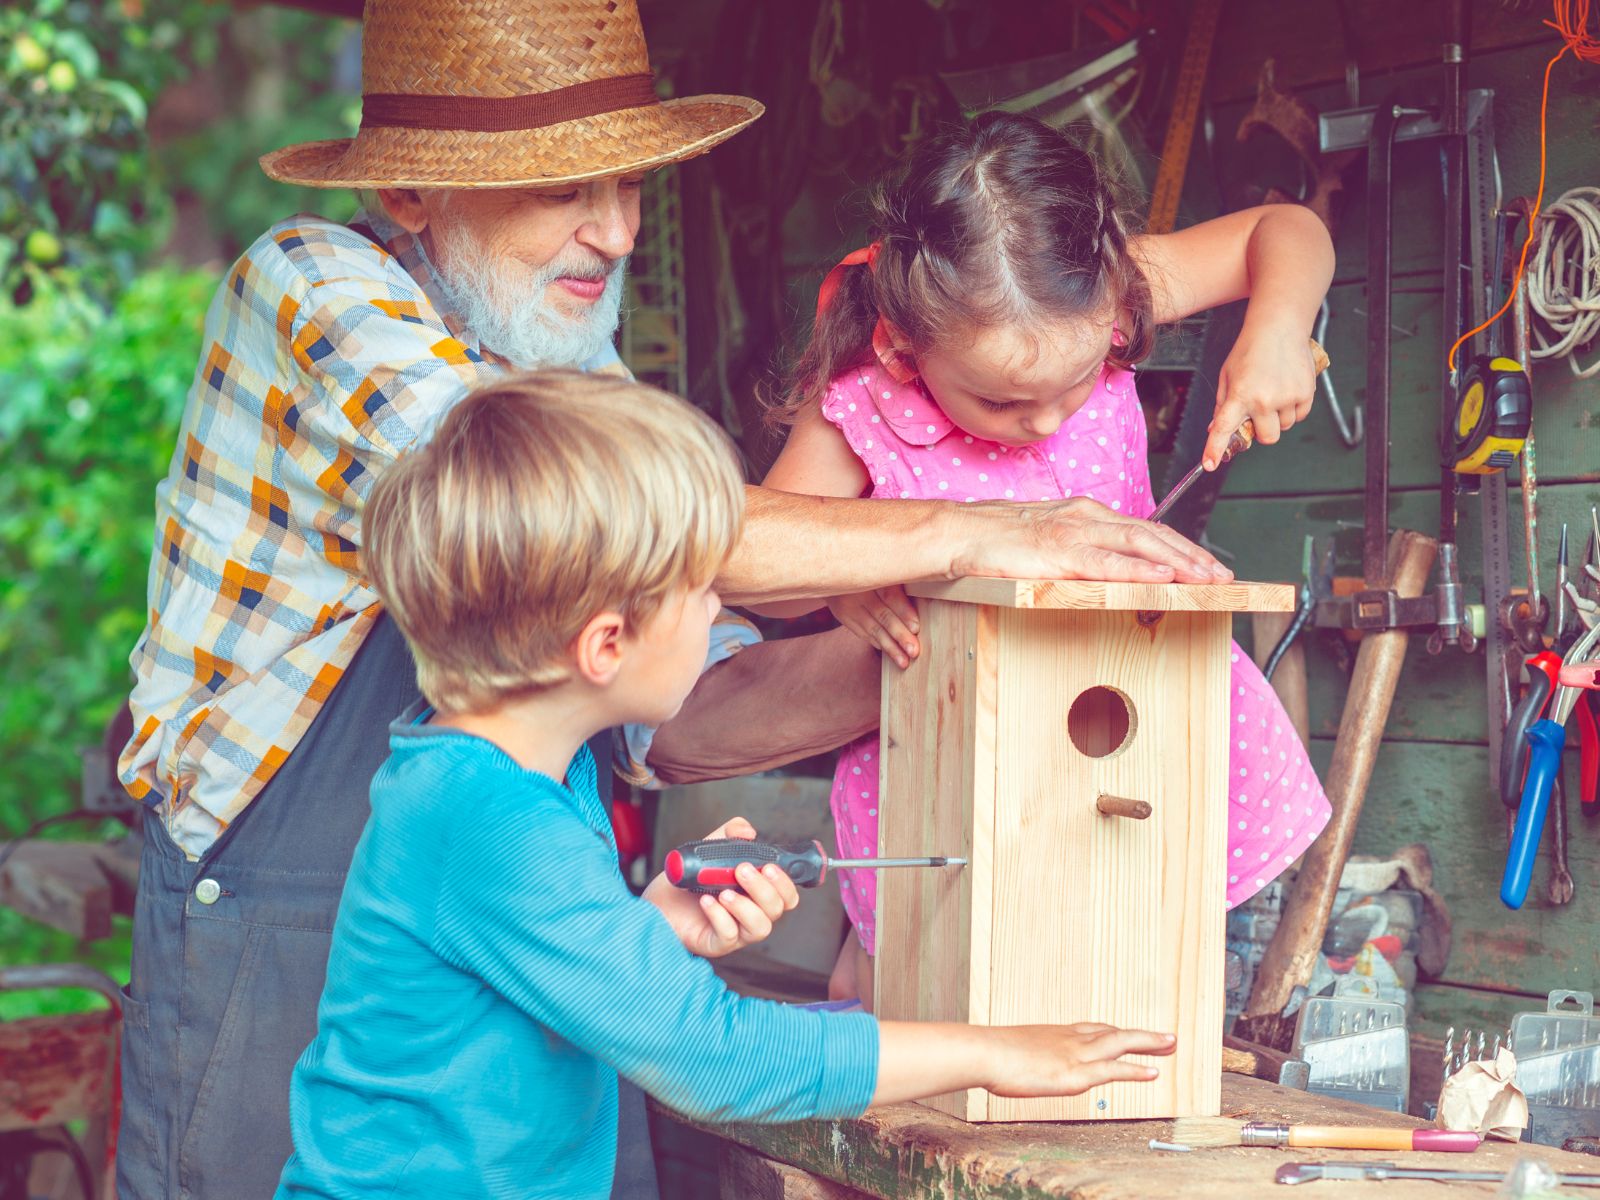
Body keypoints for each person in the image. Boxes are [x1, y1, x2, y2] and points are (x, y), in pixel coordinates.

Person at [115, 2, 1225, 1194]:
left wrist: (958, 643)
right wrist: (986, 530)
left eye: (630, 185)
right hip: (278, 902)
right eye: (560, 191)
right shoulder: (313, 284)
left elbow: (685, 712)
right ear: (412, 195)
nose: (616, 231)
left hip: (529, 913)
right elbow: (606, 522)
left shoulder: (567, 359)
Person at [272, 369, 1177, 1200]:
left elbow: (514, 980)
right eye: (705, 590)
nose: (721, 610)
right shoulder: (494, 821)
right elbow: (713, 1057)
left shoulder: (491, 778)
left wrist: (648, 930)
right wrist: (996, 1055)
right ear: (606, 645)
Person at [759, 112, 1337, 1007]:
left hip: (1129, 733)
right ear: (905, 346)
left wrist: (1278, 330)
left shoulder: (1116, 282)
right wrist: (846, 587)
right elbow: (770, 559)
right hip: (952, 757)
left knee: (1133, 965)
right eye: (998, 400)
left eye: (1077, 384)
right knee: (908, 983)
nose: (1042, 422)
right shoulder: (860, 410)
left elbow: (1287, 230)